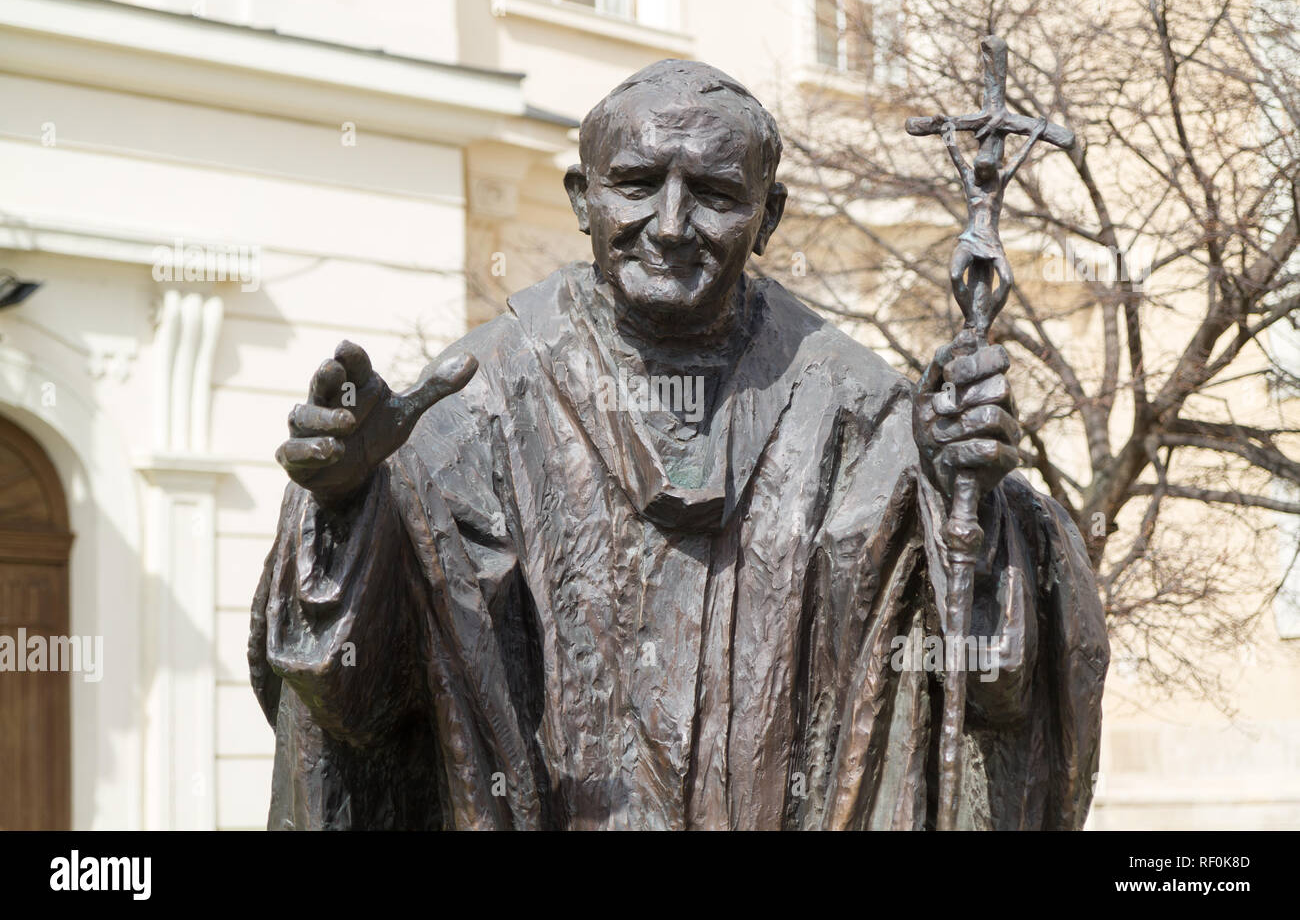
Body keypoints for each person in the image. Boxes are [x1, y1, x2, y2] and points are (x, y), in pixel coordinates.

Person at [249, 59, 1108, 830]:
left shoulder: (857, 410)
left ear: (768, 215)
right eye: (634, 183)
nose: (668, 224)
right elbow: (355, 705)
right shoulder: (474, 401)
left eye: (715, 193)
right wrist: (350, 508)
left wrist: (970, 499)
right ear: (582, 198)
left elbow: (981, 682)